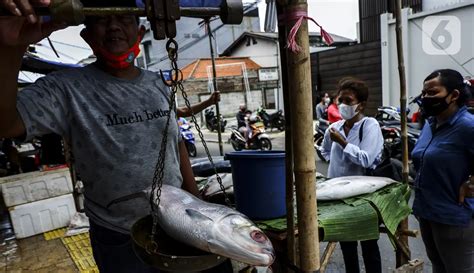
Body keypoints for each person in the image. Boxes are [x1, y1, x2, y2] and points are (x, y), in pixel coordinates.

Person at [0, 1, 232, 272]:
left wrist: (197, 204)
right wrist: (10, 49)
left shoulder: (157, 83)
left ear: (140, 31)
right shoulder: (65, 89)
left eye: (124, 17)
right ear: (86, 35)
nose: (113, 26)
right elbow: (6, 124)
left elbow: (175, 143)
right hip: (119, 236)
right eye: (102, 19)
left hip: (178, 221)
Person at [411, 69, 474, 273]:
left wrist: (471, 183)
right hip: (427, 213)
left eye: (432, 93)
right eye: (424, 93)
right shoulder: (431, 124)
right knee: (438, 267)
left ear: (454, 95)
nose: (425, 98)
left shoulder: (468, 126)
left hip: (453, 218)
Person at [320, 78, 383, 273]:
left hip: (363, 197)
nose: (343, 105)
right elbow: (324, 151)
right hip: (338, 195)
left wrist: (344, 144)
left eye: (348, 101)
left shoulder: (369, 125)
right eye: (340, 100)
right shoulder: (335, 127)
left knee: (368, 245)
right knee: (347, 245)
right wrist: (338, 161)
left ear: (361, 105)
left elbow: (366, 159)